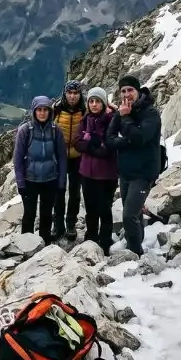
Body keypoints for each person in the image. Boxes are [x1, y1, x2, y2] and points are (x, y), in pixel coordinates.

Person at [105, 75, 162, 257]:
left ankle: (134, 252)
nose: (127, 94)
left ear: (138, 91)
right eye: (123, 91)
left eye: (130, 90)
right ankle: (136, 244)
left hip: (144, 173)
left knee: (129, 215)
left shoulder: (150, 113)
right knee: (134, 214)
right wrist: (127, 141)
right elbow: (109, 139)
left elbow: (141, 137)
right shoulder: (120, 112)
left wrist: (127, 119)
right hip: (126, 172)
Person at [13, 96, 68, 244]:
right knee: (29, 214)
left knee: (46, 214)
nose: (42, 113)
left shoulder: (56, 131)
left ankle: (44, 242)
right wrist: (20, 183)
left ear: (50, 112)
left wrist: (61, 182)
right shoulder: (25, 130)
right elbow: (17, 159)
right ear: (34, 111)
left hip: (50, 179)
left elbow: (62, 157)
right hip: (30, 179)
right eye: (39, 110)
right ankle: (26, 244)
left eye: (45, 110)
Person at [74, 87, 118, 254]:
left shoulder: (111, 120)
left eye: (97, 101)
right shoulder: (85, 120)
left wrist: (90, 145)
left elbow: (108, 149)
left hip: (106, 175)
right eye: (91, 101)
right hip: (87, 173)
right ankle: (91, 238)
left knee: (104, 208)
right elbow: (77, 143)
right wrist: (94, 144)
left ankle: (105, 242)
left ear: (104, 102)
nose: (94, 104)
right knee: (91, 208)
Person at [52, 80, 86, 240]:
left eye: (75, 93)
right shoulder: (56, 109)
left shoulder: (85, 110)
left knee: (74, 191)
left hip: (77, 157)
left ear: (80, 95)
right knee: (59, 191)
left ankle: (70, 223)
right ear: (65, 93)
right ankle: (58, 224)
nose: (72, 96)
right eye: (69, 93)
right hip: (59, 156)